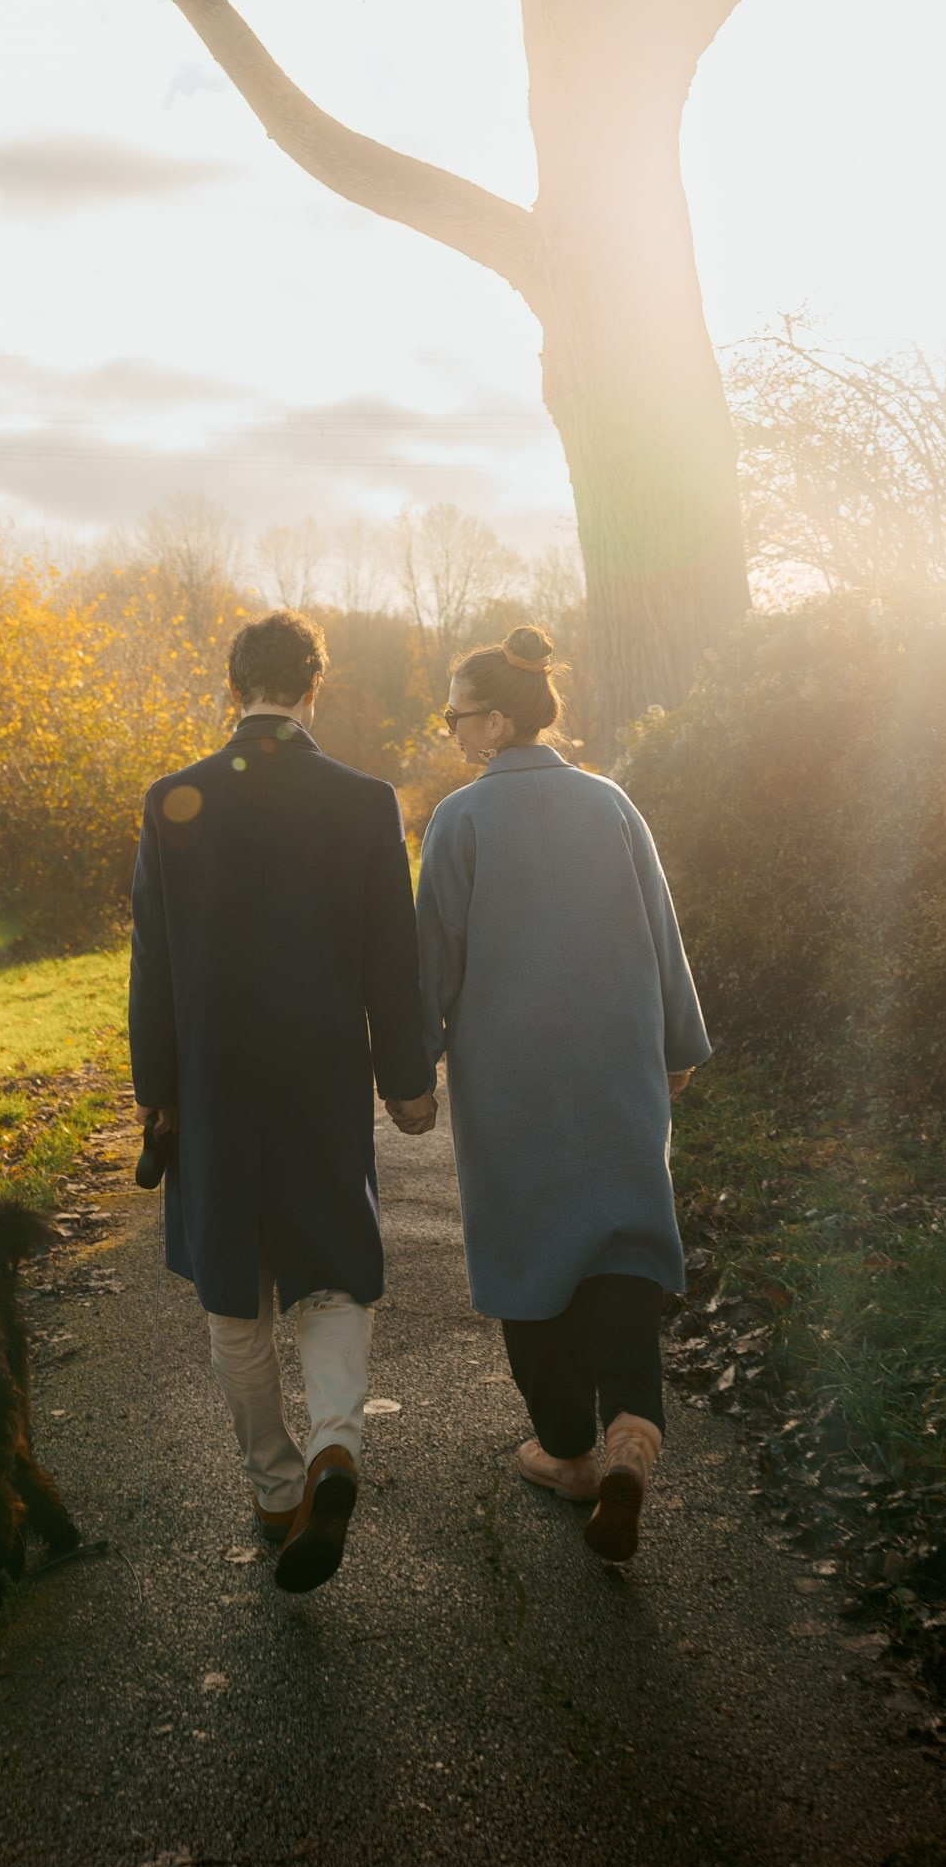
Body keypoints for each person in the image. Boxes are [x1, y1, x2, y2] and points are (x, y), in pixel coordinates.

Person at [129, 608, 437, 1594]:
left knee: (236, 1286)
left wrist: (156, 1090)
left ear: (234, 689)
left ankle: (271, 1488)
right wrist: (406, 1078)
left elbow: (152, 966)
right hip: (320, 1071)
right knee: (332, 1259)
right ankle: (335, 1444)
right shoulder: (362, 801)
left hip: (215, 1076)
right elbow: (393, 954)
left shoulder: (173, 798)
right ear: (314, 687)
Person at [416, 626, 709, 1563]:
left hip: (512, 1080)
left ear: (497, 718)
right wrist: (677, 1043)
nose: (453, 728)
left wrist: (413, 1071)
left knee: (528, 1242)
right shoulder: (611, 802)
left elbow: (433, 964)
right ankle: (633, 1427)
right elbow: (662, 930)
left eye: (456, 712)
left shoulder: (460, 820)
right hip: (617, 1059)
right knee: (622, 1235)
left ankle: (573, 1452)